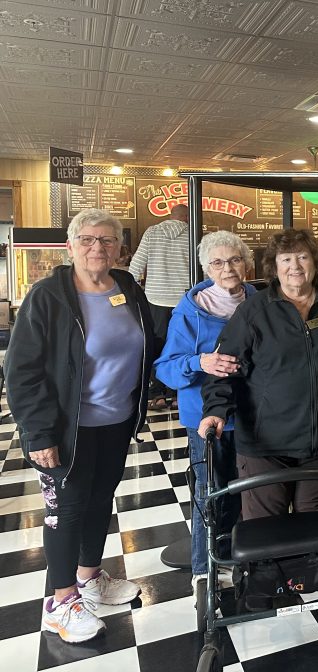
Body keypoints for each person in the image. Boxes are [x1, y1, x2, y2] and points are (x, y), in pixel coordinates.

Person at [5, 208, 155, 643]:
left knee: (99, 500)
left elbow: (148, 343)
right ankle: (60, 602)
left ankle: (89, 578)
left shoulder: (126, 286)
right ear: (70, 246)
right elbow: (21, 371)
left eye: (107, 240)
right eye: (87, 239)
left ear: (120, 248)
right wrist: (39, 433)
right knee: (66, 511)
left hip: (115, 421)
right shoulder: (48, 296)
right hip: (65, 429)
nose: (97, 247)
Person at [200, 229, 318, 521]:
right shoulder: (253, 311)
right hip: (265, 446)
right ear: (274, 265)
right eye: (286, 259)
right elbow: (225, 366)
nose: (295, 266)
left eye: (303, 257)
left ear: (316, 261)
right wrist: (215, 410)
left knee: (314, 528)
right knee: (265, 529)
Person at [154, 231, 256, 584]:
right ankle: (204, 570)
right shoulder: (191, 311)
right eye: (217, 262)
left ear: (246, 263)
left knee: (249, 491)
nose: (227, 268)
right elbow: (165, 369)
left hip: (254, 415)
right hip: (206, 419)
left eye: (235, 260)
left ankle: (241, 559)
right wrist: (201, 361)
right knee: (209, 491)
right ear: (206, 268)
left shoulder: (258, 300)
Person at [130, 204, 191, 409]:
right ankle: (177, 394)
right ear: (187, 217)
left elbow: (137, 265)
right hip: (184, 300)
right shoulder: (193, 234)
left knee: (157, 345)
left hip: (155, 299)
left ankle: (157, 394)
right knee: (182, 345)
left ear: (171, 216)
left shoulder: (152, 232)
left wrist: (131, 291)